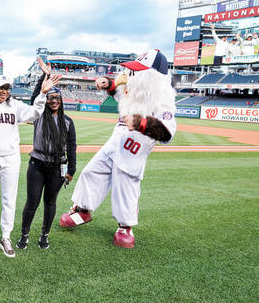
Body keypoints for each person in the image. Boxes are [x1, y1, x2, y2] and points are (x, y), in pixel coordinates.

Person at [59, 50, 176, 249]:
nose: (132, 74)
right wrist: (109, 84)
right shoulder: (134, 93)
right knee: (91, 173)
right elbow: (119, 92)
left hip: (133, 152)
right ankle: (82, 210)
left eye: (138, 72)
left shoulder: (162, 101)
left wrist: (141, 123)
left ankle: (125, 227)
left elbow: (166, 132)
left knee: (125, 188)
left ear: (153, 77)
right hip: (113, 145)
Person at [0, 73, 61, 258]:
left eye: (7, 88)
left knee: (8, 198)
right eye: (1, 88)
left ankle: (5, 236)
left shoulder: (15, 106)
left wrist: (43, 94)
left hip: (10, 158)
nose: (5, 91)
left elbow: (35, 112)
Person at [16, 58, 77, 250]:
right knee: (32, 202)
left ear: (61, 101)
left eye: (57, 98)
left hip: (58, 167)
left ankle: (44, 235)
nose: (53, 101)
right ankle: (24, 235)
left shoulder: (67, 122)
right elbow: (36, 98)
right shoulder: (39, 116)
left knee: (50, 203)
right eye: (50, 98)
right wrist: (45, 75)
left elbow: (72, 146)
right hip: (37, 164)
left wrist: (71, 170)